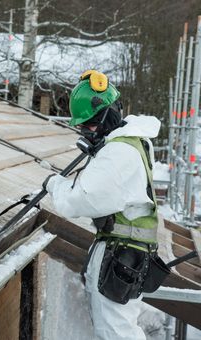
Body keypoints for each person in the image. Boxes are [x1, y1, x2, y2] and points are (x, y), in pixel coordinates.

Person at [44, 70, 161, 340]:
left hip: (121, 256)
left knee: (116, 333)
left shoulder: (119, 152)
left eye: (90, 125)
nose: (86, 132)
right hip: (123, 253)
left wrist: (54, 185)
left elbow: (81, 199)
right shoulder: (129, 142)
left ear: (109, 116)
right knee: (113, 330)